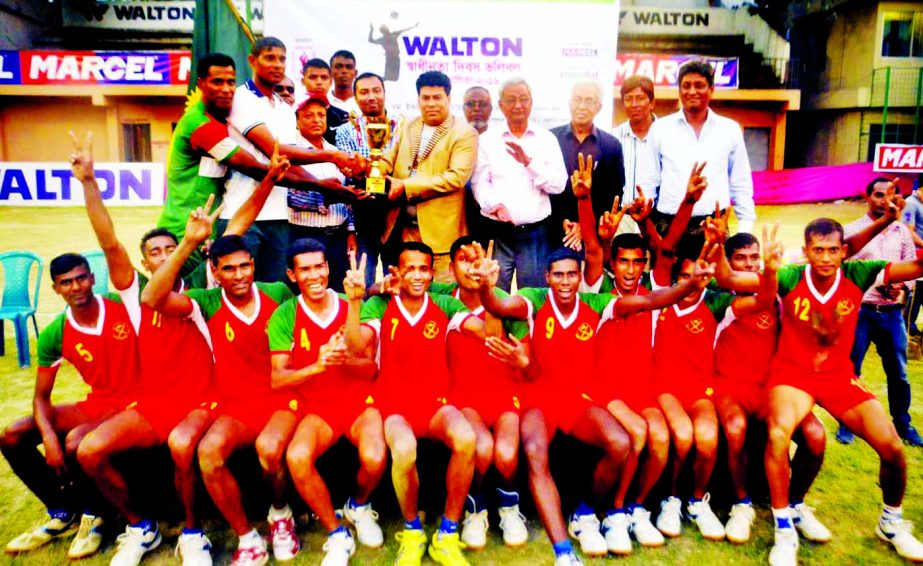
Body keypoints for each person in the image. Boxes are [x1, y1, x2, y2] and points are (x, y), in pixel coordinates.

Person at [468, 240, 713, 563]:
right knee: (535, 451)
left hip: (578, 400)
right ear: (547, 277)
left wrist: (689, 286)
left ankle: (584, 514)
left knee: (621, 443)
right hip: (538, 398)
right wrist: (487, 288)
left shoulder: (596, 304)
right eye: (559, 275)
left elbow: (650, 300)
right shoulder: (535, 301)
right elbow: (500, 308)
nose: (566, 281)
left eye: (572, 274)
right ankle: (563, 553)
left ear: (581, 276)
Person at [713, 213, 923, 565]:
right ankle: (783, 529)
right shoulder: (791, 275)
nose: (825, 258)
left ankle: (891, 522)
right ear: (806, 252)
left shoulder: (860, 272)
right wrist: (722, 244)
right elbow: (728, 277)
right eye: (817, 250)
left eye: (831, 250)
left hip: (839, 377)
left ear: (844, 251)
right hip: (792, 375)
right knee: (779, 436)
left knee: (892, 447)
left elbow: (916, 266)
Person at [142, 157, 306, 565]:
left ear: (254, 265)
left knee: (271, 450)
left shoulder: (277, 294)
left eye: (244, 266)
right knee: (209, 451)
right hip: (233, 405)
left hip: (280, 399)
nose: (238, 275)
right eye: (228, 268)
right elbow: (152, 298)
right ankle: (247, 537)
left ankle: (280, 514)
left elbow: (243, 224)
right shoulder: (206, 302)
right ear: (214, 271)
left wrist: (269, 179)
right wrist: (187, 244)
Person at [65, 132, 217, 566]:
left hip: (200, 400)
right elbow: (109, 241)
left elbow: (239, 224)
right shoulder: (134, 292)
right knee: (89, 450)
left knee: (184, 447)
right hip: (152, 402)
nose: (164, 255)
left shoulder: (202, 289)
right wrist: (89, 182)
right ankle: (140, 527)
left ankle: (192, 533)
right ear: (145, 260)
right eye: (155, 252)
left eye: (171, 248)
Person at [344, 242, 482, 566]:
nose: (417, 275)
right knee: (404, 448)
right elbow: (354, 344)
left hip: (435, 404)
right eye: (410, 269)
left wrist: (487, 289)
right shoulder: (380, 306)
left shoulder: (444, 304)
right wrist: (354, 302)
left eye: (424, 268)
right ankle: (412, 530)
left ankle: (447, 534)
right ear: (398, 272)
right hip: (394, 406)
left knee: (466, 438)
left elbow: (485, 330)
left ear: (432, 274)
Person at [0, 253, 137, 559]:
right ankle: (62, 511)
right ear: (56, 288)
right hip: (99, 403)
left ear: (92, 277)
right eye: (67, 282)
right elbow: (40, 397)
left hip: (138, 401)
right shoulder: (56, 332)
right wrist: (49, 438)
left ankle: (95, 515)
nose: (77, 287)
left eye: (81, 278)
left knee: (76, 441)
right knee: (12, 435)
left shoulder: (122, 305)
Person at [267, 239, 386, 565]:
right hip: (318, 408)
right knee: (297, 456)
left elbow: (369, 368)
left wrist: (344, 357)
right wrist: (319, 365)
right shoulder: (285, 315)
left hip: (360, 402)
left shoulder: (350, 303)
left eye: (319, 266)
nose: (315, 275)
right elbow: (278, 379)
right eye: (305, 269)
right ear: (292, 275)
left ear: (328, 267)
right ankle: (337, 533)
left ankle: (358, 505)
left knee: (375, 457)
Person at [712, 232, 829, 544]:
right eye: (741, 258)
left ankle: (796, 503)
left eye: (754, 257)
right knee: (735, 430)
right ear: (730, 262)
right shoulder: (721, 297)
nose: (749, 264)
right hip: (730, 386)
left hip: (773, 388)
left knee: (816, 437)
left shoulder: (780, 294)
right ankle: (741, 504)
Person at [221, 37, 364, 283]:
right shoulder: (241, 98)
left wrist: (333, 189)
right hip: (243, 213)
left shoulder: (284, 109)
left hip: (279, 214)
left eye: (282, 59)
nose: (277, 65)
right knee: (240, 287)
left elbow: (291, 165)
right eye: (269, 58)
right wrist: (333, 156)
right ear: (252, 61)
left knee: (277, 293)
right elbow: (275, 151)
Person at [425, 236, 530, 550]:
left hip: (503, 393)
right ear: (451, 267)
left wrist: (490, 292)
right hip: (463, 395)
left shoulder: (506, 303)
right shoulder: (441, 296)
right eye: (464, 260)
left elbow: (499, 342)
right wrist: (382, 287)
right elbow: (398, 288)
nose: (473, 268)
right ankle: (476, 508)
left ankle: (510, 508)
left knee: (507, 454)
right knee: (482, 449)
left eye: (479, 260)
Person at [836, 178, 922, 447]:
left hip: (892, 313)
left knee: (899, 373)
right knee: (851, 370)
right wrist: (877, 285)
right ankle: (847, 423)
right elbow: (844, 271)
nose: (884, 200)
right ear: (868, 197)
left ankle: (903, 425)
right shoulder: (853, 231)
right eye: (878, 195)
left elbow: (911, 268)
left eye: (889, 195)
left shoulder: (902, 232)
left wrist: (901, 287)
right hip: (860, 311)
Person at [380, 71, 478, 283]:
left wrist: (406, 186)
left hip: (441, 237)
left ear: (449, 99)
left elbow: (456, 178)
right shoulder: (408, 125)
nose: (431, 104)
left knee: (443, 299)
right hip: (403, 231)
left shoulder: (464, 133)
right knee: (407, 295)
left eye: (437, 97)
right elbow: (388, 158)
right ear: (418, 99)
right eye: (426, 98)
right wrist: (371, 170)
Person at [638, 59, 756, 236]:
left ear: (712, 90)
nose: (692, 91)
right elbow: (648, 182)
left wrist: (745, 229)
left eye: (699, 85)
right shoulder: (660, 129)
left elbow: (741, 183)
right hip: (668, 226)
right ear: (679, 91)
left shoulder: (729, 129)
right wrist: (642, 227)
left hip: (714, 225)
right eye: (686, 86)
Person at [471, 78, 567, 291]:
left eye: (523, 99)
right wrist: (494, 205)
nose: (517, 105)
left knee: (533, 298)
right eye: (511, 100)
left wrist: (529, 164)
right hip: (498, 232)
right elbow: (479, 183)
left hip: (535, 235)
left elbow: (559, 184)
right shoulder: (488, 140)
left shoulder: (546, 139)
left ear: (531, 103)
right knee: (495, 295)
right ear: (501, 104)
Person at [335, 72, 402, 288]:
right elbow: (350, 172)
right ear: (355, 97)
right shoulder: (345, 131)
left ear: (384, 93)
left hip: (395, 211)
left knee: (397, 280)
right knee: (363, 279)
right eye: (364, 92)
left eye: (376, 90)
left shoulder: (401, 128)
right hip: (362, 212)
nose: (371, 96)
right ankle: (363, 319)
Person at [289, 95, 357, 293]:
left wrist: (351, 231)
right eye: (309, 115)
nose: (317, 119)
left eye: (321, 115)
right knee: (307, 291)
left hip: (337, 235)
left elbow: (347, 199)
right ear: (297, 120)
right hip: (305, 234)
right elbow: (290, 196)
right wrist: (326, 195)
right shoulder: (292, 151)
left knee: (338, 291)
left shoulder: (336, 151)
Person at [550, 81, 625, 252]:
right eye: (577, 99)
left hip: (594, 236)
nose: (582, 106)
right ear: (570, 103)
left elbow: (614, 194)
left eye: (589, 100)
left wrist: (585, 227)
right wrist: (562, 221)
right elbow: (544, 188)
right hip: (554, 232)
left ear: (599, 107)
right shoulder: (550, 139)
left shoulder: (611, 145)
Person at [612, 74, 657, 235]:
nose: (634, 104)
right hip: (622, 219)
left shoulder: (666, 136)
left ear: (652, 103)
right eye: (628, 99)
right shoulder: (613, 138)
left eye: (640, 98)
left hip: (656, 219)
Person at [461, 86, 492, 243]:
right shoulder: (454, 139)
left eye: (482, 104)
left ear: (491, 109)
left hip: (491, 222)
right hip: (459, 218)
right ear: (463, 108)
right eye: (471, 104)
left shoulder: (498, 141)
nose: (477, 109)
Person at [301, 58, 350, 143]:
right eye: (313, 77)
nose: (319, 82)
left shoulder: (344, 117)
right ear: (303, 81)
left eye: (324, 78)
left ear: (331, 81)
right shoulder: (293, 115)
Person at [329, 50, 360, 115]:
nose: (344, 71)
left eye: (349, 67)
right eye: (338, 67)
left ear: (355, 73)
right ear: (330, 72)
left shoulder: (363, 103)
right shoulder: (324, 102)